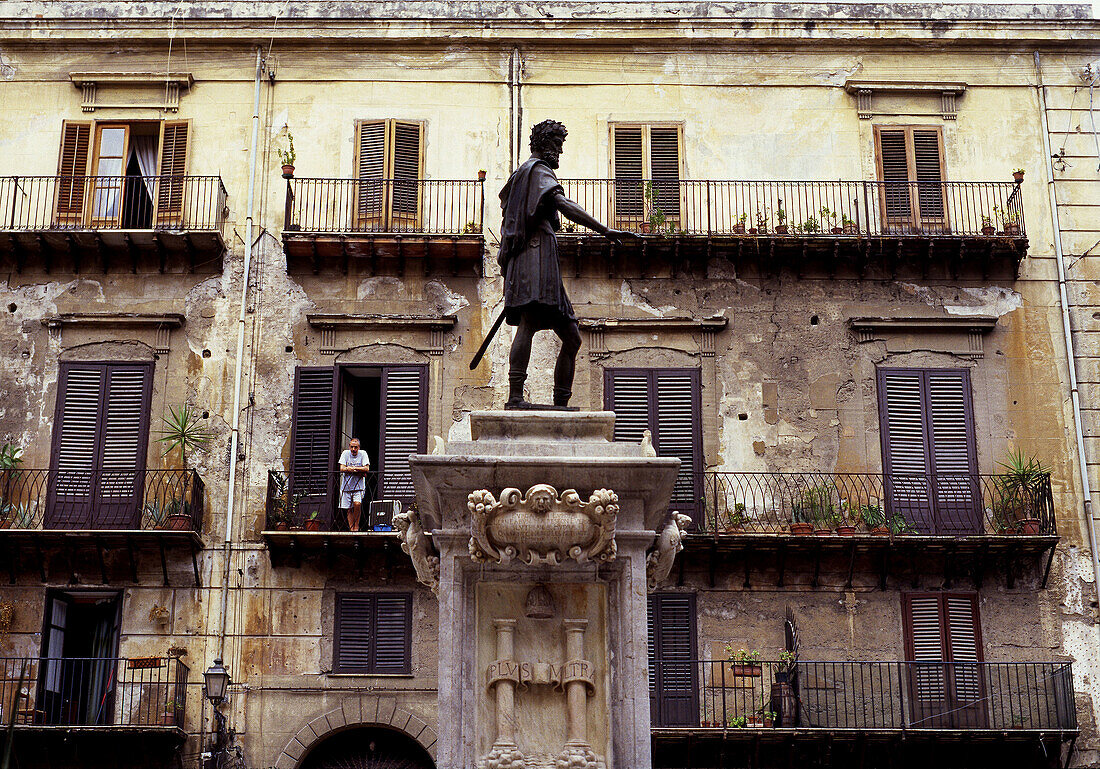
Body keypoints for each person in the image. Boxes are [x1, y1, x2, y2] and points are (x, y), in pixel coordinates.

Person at [498, 119, 629, 409]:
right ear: (543, 144)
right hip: (534, 255)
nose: (559, 151)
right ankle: (516, 397)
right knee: (530, 321)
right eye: (556, 144)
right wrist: (604, 229)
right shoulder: (536, 170)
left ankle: (561, 406)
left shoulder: (523, 176)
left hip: (540, 258)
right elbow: (564, 205)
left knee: (572, 337)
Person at [337, 438, 370, 532]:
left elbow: (366, 468)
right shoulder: (345, 453)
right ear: (349, 447)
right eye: (352, 447)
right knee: (349, 509)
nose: (353, 449)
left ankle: (356, 526)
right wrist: (358, 470)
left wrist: (353, 468)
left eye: (355, 447)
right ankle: (352, 529)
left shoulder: (363, 453)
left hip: (359, 486)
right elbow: (342, 468)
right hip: (346, 486)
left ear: (359, 447)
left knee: (357, 503)